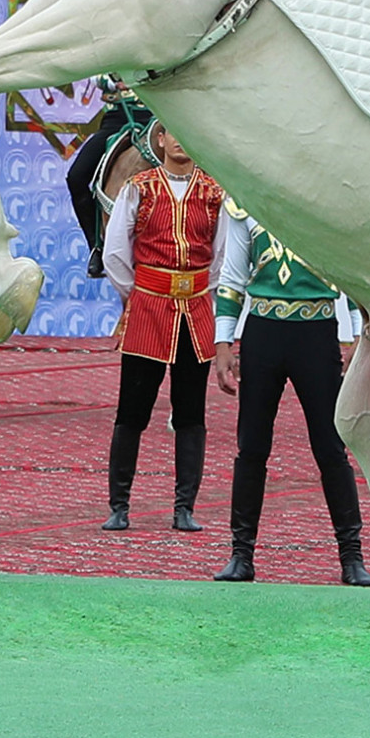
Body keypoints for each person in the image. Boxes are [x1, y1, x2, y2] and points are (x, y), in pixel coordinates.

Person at [211, 203, 370, 587]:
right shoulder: (244, 201)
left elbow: (350, 277)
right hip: (263, 332)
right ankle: (241, 554)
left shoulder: (324, 200)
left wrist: (354, 336)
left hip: (316, 332)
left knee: (331, 448)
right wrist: (223, 342)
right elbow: (232, 278)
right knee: (251, 446)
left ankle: (352, 557)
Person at [100, 123, 226, 532]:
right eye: (171, 131)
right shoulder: (139, 187)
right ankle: (119, 505)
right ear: (159, 138)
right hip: (148, 309)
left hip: (196, 311)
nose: (179, 140)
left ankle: (184, 507)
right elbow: (117, 250)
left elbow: (222, 257)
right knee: (132, 410)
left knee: (190, 412)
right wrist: (139, 292)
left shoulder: (213, 192)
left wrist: (205, 293)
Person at [66, 78, 155, 277]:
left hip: (158, 116)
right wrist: (113, 82)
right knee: (76, 177)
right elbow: (97, 72)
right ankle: (97, 247)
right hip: (117, 118)